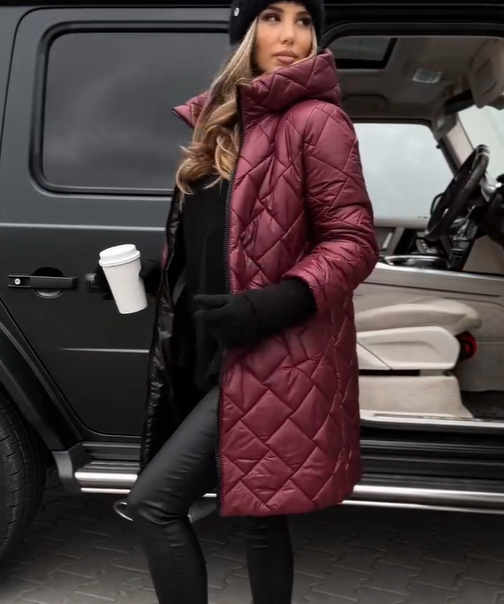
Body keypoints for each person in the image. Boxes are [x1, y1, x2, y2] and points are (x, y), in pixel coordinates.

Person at [96, 1, 379, 603]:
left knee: (153, 505)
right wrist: (151, 277)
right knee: (261, 518)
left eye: (304, 21)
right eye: (272, 17)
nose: (291, 34)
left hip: (272, 351)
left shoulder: (317, 119)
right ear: (245, 32)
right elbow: (212, 242)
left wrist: (274, 303)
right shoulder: (219, 126)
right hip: (212, 346)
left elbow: (353, 242)